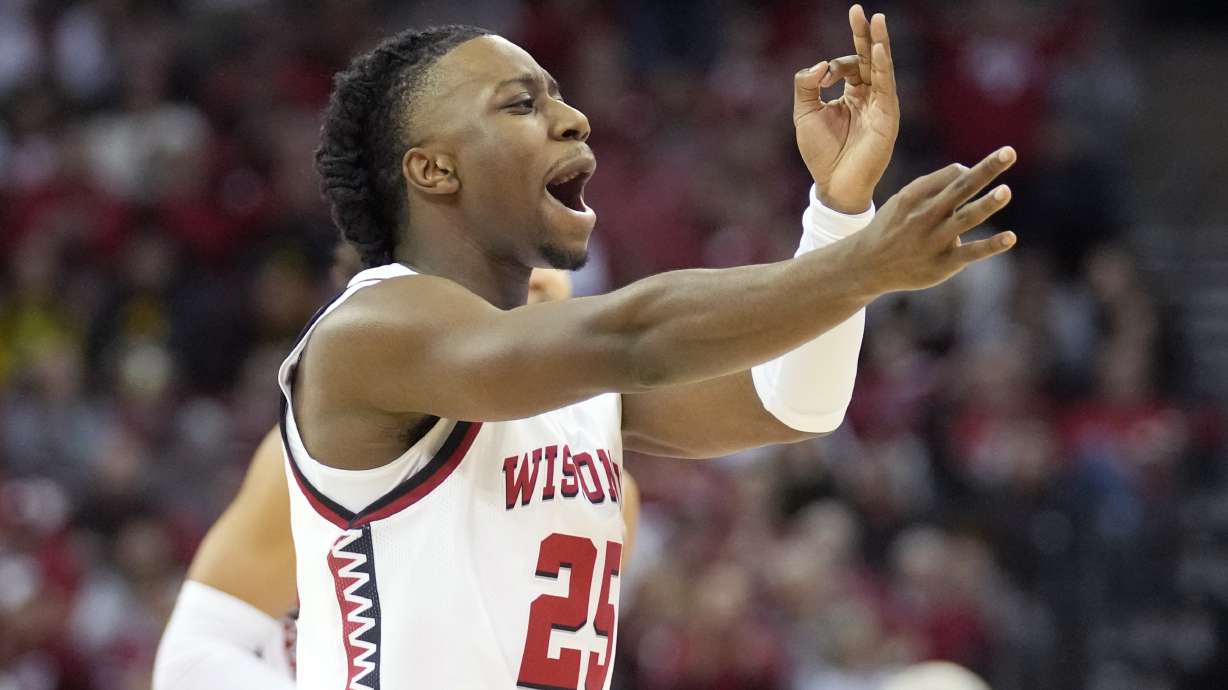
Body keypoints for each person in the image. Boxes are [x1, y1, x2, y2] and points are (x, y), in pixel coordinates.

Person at [286, 5, 1016, 689]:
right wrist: (861, 267)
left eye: (559, 98)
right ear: (434, 169)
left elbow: (790, 404)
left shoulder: (565, 378)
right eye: (521, 104)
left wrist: (841, 214)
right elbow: (632, 338)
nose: (574, 120)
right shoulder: (370, 331)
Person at [152, 259, 634, 690]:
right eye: (509, 292)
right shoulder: (331, 456)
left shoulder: (605, 492)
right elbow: (191, 662)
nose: (530, 295)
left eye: (544, 295)